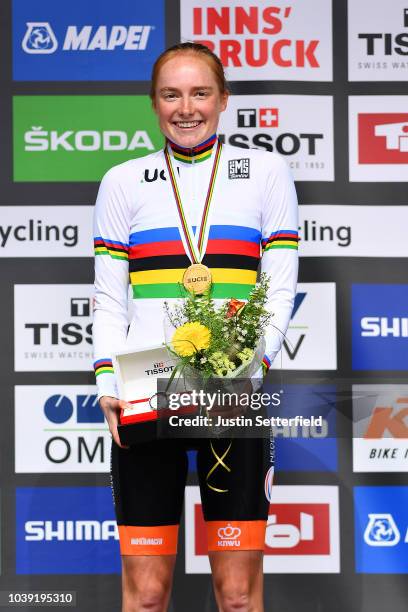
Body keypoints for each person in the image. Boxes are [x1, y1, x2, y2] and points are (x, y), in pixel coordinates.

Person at [93, 42, 298, 612]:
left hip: (233, 393)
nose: (187, 108)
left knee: (237, 596)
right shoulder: (122, 181)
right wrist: (108, 384)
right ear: (154, 104)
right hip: (144, 388)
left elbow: (279, 287)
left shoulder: (265, 172)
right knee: (148, 594)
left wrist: (248, 363)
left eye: (200, 92)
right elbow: (109, 297)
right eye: (171, 94)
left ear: (224, 99)